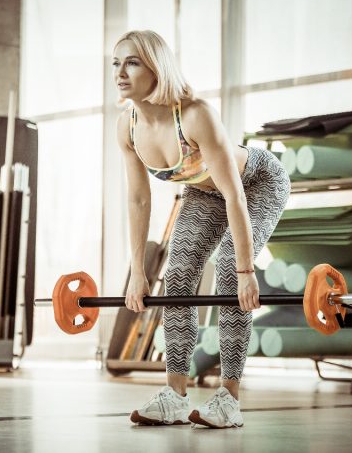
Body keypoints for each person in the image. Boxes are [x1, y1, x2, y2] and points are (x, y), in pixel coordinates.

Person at [113, 30, 290, 429]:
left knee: (228, 268)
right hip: (202, 193)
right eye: (116, 63)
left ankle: (229, 399)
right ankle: (175, 395)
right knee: (176, 274)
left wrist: (246, 272)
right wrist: (138, 272)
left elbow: (235, 195)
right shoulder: (127, 127)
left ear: (156, 67)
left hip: (256, 184)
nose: (120, 72)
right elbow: (139, 200)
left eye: (132, 62)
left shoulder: (194, 114)